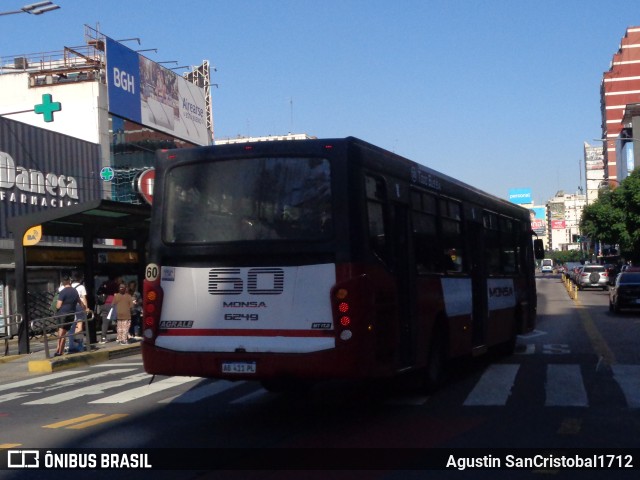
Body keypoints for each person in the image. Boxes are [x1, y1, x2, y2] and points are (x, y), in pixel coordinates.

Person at [54, 275, 79, 357]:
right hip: (71, 313)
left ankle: (58, 350)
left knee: (61, 333)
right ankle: (60, 350)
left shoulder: (63, 292)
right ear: (69, 281)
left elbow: (58, 305)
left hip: (62, 314)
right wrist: (85, 308)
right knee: (64, 333)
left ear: (63, 283)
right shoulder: (75, 291)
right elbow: (80, 302)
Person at [68, 270, 89, 353]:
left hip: (71, 307)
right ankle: (79, 344)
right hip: (80, 307)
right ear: (80, 278)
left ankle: (72, 344)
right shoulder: (81, 287)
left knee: (72, 326)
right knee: (79, 324)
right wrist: (86, 308)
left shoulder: (70, 286)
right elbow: (84, 299)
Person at [97, 275, 121, 343]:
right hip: (112, 303)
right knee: (117, 320)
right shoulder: (114, 284)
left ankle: (103, 338)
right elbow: (116, 294)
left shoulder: (104, 283)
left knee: (105, 322)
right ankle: (120, 335)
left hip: (103, 304)